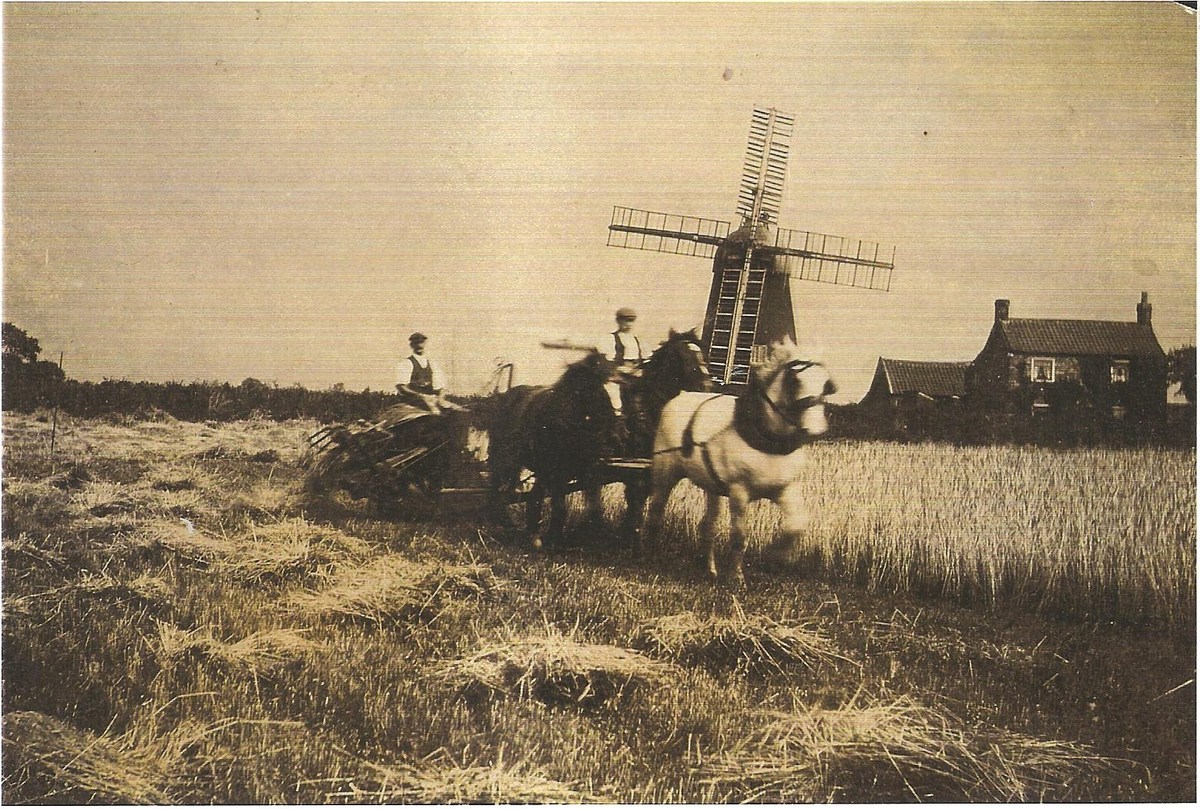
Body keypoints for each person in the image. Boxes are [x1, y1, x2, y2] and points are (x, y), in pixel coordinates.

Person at [396, 332, 451, 411]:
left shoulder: (432, 364)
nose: (419, 345)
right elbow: (401, 387)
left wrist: (441, 398)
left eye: (421, 342)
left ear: (425, 343)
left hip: (431, 398)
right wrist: (421, 396)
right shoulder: (407, 363)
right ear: (412, 345)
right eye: (416, 343)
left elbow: (441, 386)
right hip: (413, 400)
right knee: (433, 411)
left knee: (455, 411)